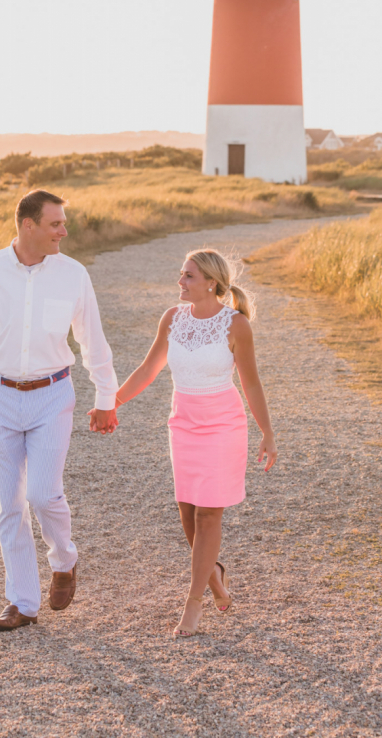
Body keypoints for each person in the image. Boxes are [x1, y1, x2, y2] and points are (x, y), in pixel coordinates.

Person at [0, 189, 118, 631]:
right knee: (10, 505)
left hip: (52, 394)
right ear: (28, 225)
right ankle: (21, 602)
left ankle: (64, 559)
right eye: (55, 223)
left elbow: (92, 340)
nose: (64, 230)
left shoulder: (73, 275)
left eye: (63, 222)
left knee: (42, 492)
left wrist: (105, 398)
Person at [115, 248, 277, 637]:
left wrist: (267, 432)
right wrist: (112, 403)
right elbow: (148, 368)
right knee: (187, 513)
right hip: (182, 423)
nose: (180, 282)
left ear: (211, 282)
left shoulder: (236, 325)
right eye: (181, 274)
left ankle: (193, 604)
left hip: (223, 425)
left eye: (188, 276)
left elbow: (250, 383)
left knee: (208, 515)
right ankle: (214, 576)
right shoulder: (172, 318)